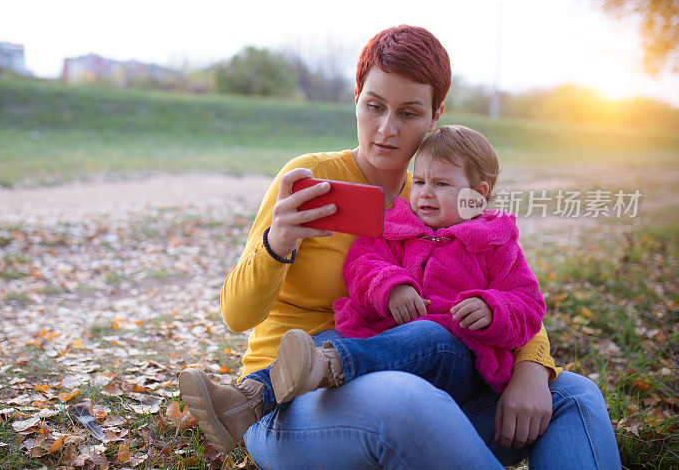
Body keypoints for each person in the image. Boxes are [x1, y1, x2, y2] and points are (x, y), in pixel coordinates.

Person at [179, 25, 621, 469]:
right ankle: (249, 401)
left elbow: (509, 282)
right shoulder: (311, 178)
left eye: (408, 113)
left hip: (417, 383)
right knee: (408, 400)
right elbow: (236, 316)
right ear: (356, 98)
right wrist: (277, 243)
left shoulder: (433, 201)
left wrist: (531, 369)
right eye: (374, 106)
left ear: (435, 116)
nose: (386, 130)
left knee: (574, 394)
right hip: (290, 404)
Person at [270, 125, 547, 407]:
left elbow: (529, 302)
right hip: (383, 339)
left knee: (429, 335)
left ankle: (332, 365)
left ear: (476, 195)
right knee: (325, 338)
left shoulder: (495, 243)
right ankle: (254, 395)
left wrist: (492, 308)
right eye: (420, 182)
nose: (425, 192)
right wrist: (392, 286)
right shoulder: (398, 226)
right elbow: (362, 262)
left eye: (440, 184)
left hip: (457, 357)